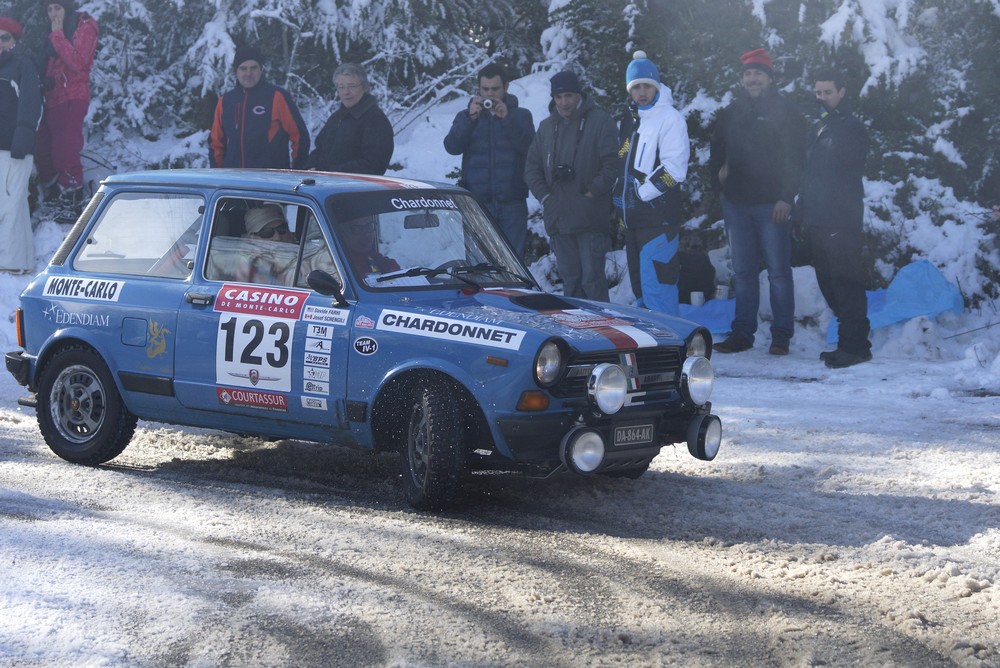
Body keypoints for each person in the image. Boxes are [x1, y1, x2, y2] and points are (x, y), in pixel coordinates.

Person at [709, 48, 805, 355]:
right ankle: (742, 334)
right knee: (744, 273)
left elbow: (797, 158)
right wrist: (718, 184)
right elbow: (716, 152)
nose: (753, 79)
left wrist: (787, 197)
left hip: (771, 205)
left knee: (778, 272)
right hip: (736, 203)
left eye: (758, 73)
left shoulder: (786, 112)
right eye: (748, 74)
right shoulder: (731, 112)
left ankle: (781, 335)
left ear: (769, 78)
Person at [524, 70, 619, 302]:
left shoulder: (600, 121)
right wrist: (545, 198)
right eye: (558, 97)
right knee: (571, 281)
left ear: (578, 95)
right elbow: (531, 168)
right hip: (559, 218)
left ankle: (603, 332)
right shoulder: (546, 127)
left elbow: (613, 163)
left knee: (592, 280)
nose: (564, 102)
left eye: (568, 95)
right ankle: (577, 334)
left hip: (590, 217)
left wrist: (592, 191)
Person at [800, 68, 871, 368]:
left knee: (845, 283)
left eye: (828, 92)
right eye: (818, 92)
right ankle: (854, 343)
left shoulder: (851, 127)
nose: (822, 97)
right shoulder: (820, 124)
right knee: (828, 283)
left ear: (841, 92)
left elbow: (847, 170)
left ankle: (853, 347)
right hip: (817, 216)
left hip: (840, 218)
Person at [613, 51, 690, 315]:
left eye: (647, 86)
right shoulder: (630, 119)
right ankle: (649, 352)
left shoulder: (670, 118)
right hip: (633, 221)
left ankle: (674, 351)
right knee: (641, 293)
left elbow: (675, 169)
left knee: (659, 291)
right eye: (636, 87)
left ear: (656, 87)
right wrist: (618, 191)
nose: (642, 92)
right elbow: (623, 161)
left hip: (659, 221)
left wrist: (642, 192)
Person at [444, 63, 535, 260]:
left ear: (506, 87)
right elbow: (451, 147)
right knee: (478, 266)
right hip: (477, 204)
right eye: (485, 89)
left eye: (495, 89)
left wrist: (507, 119)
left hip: (512, 204)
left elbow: (530, 149)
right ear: (478, 89)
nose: (490, 94)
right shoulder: (466, 116)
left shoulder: (521, 116)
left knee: (514, 267)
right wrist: (470, 119)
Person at [35, 0, 97, 221]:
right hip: (52, 99)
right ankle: (55, 194)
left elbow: (78, 61)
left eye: (57, 8)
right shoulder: (53, 33)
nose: (53, 13)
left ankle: (73, 200)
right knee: (45, 148)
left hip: (71, 96)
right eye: (49, 9)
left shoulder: (84, 24)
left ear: (67, 8)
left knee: (65, 151)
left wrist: (58, 34)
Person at [210, 45, 310, 170]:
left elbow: (299, 137)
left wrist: (296, 172)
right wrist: (217, 176)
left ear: (261, 69)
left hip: (268, 181)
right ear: (236, 71)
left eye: (253, 68)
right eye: (243, 68)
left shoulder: (276, 97)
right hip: (233, 182)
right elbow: (216, 144)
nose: (248, 73)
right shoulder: (225, 101)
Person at [0, 16, 42, 273]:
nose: (0, 43)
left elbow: (31, 105)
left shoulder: (22, 65)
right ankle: (23, 261)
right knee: (15, 202)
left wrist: (22, 143)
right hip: (2, 148)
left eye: (5, 37)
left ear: (15, 40)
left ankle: (9, 262)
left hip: (13, 147)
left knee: (8, 204)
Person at [307, 63, 393, 175]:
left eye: (352, 86)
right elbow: (319, 149)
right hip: (326, 186)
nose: (346, 92)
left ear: (364, 87)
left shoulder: (375, 120)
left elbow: (373, 165)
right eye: (341, 87)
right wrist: (309, 168)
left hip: (355, 190)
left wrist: (328, 172)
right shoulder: (336, 118)